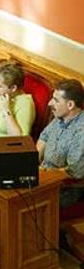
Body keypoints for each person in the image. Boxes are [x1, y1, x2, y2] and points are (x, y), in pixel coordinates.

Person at [37, 79, 84, 208]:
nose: (49, 103)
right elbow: (44, 138)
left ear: (70, 105)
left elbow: (73, 173)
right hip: (43, 175)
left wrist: (44, 175)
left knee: (18, 201)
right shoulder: (59, 117)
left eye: (56, 100)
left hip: (64, 189)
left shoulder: (81, 132)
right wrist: (31, 163)